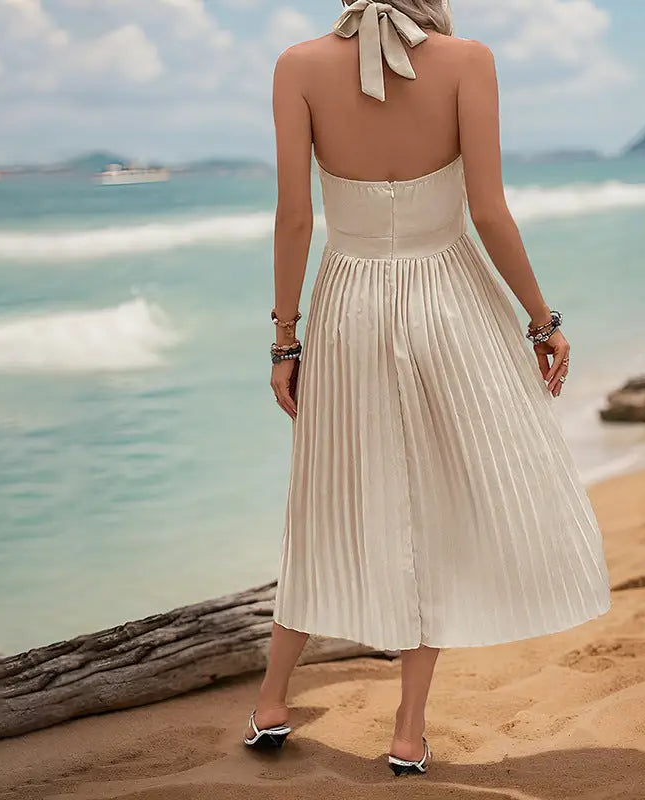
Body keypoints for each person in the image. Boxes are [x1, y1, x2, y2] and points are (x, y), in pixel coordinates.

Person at [244, 0, 612, 776]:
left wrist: (285, 339)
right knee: (438, 504)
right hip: (449, 298)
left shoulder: (298, 66)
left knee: (325, 499)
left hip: (347, 302)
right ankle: (407, 732)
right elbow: (488, 212)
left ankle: (274, 702)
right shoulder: (467, 60)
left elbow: (293, 221)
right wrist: (542, 322)